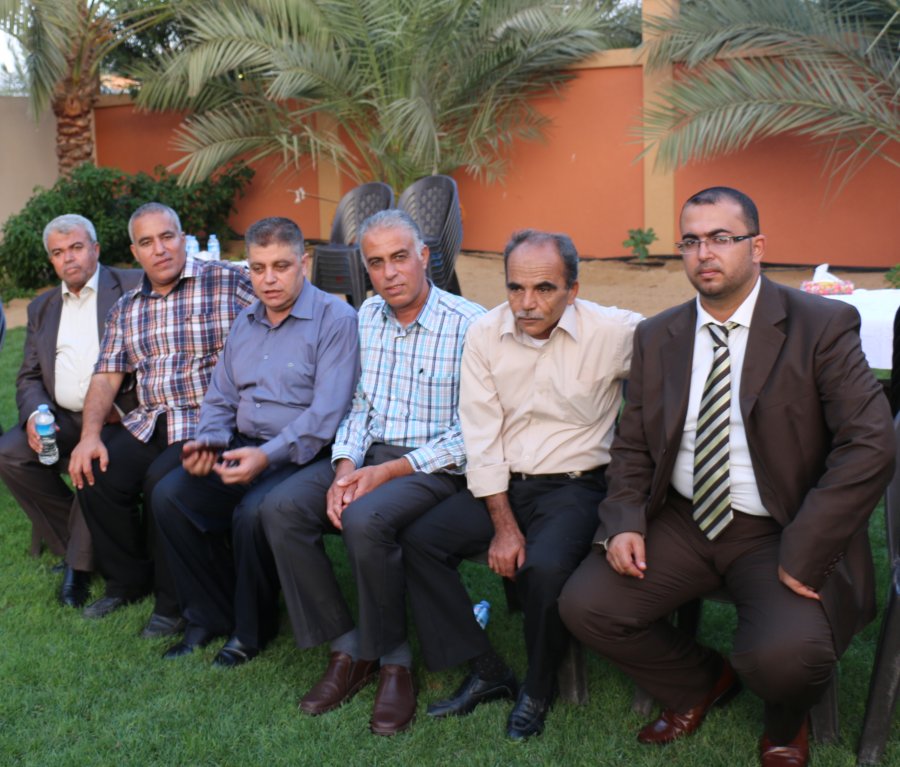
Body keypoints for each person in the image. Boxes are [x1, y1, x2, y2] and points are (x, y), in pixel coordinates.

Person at [558, 187, 895, 767]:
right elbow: (633, 443)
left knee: (785, 656)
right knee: (586, 605)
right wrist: (624, 520)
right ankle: (700, 680)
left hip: (780, 525)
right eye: (691, 241)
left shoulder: (820, 325)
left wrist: (808, 547)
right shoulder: (659, 335)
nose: (704, 253)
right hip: (684, 518)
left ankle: (785, 725)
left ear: (756, 246)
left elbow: (870, 444)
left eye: (721, 238)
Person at [399, 230, 642, 739]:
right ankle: (485, 667)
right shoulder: (485, 334)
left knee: (545, 567)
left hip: (576, 487)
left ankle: (538, 685)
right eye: (515, 288)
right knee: (421, 541)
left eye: (544, 288)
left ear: (573, 290)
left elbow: (682, 344)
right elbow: (481, 435)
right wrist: (504, 525)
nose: (527, 303)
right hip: (504, 483)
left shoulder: (613, 332)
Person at [257, 209, 485, 735]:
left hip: (434, 466)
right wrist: (344, 469)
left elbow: (474, 432)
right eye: (376, 263)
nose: (389, 273)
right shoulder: (367, 316)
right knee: (282, 507)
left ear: (424, 256)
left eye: (400, 257)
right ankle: (348, 649)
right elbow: (360, 405)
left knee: (364, 518)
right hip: (371, 456)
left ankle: (394, 662)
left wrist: (386, 474)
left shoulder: (470, 324)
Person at [153, 217, 359, 666]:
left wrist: (264, 457)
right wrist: (209, 444)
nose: (268, 279)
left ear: (304, 262)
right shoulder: (245, 322)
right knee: (170, 496)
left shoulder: (335, 319)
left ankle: (251, 631)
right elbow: (220, 397)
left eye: (281, 266)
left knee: (252, 512)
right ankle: (208, 614)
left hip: (305, 455)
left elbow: (326, 415)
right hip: (244, 445)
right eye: (258, 268)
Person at [68, 202, 255, 638]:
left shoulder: (228, 282)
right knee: (95, 471)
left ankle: (173, 603)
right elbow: (106, 375)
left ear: (183, 238)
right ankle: (128, 580)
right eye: (147, 242)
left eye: (167, 237)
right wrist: (90, 435)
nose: (160, 249)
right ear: (135, 253)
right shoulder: (127, 308)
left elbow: (280, 312)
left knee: (161, 484)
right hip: (150, 420)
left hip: (208, 422)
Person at [0, 214, 142, 607]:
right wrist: (35, 415)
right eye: (58, 252)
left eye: (76, 248)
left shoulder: (132, 286)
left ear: (95, 249)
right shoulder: (42, 306)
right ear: (52, 260)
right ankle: (79, 544)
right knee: (10, 453)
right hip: (61, 417)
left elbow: (155, 357)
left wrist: (124, 407)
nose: (69, 258)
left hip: (118, 416)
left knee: (90, 458)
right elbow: (29, 376)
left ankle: (77, 569)